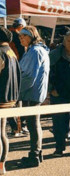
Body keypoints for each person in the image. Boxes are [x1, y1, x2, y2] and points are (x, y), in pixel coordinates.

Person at [18, 26, 50, 168]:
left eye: (23, 36)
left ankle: (35, 155)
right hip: (34, 92)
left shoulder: (35, 51)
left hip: (31, 93)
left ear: (31, 36)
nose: (21, 39)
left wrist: (17, 93)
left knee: (33, 124)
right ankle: (37, 153)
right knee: (34, 123)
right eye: (20, 37)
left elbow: (29, 76)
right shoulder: (36, 50)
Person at [0, 27, 21, 175]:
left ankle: (1, 164)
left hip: (1, 97)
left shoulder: (0, 53)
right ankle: (2, 164)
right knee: (2, 132)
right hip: (10, 98)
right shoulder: (11, 52)